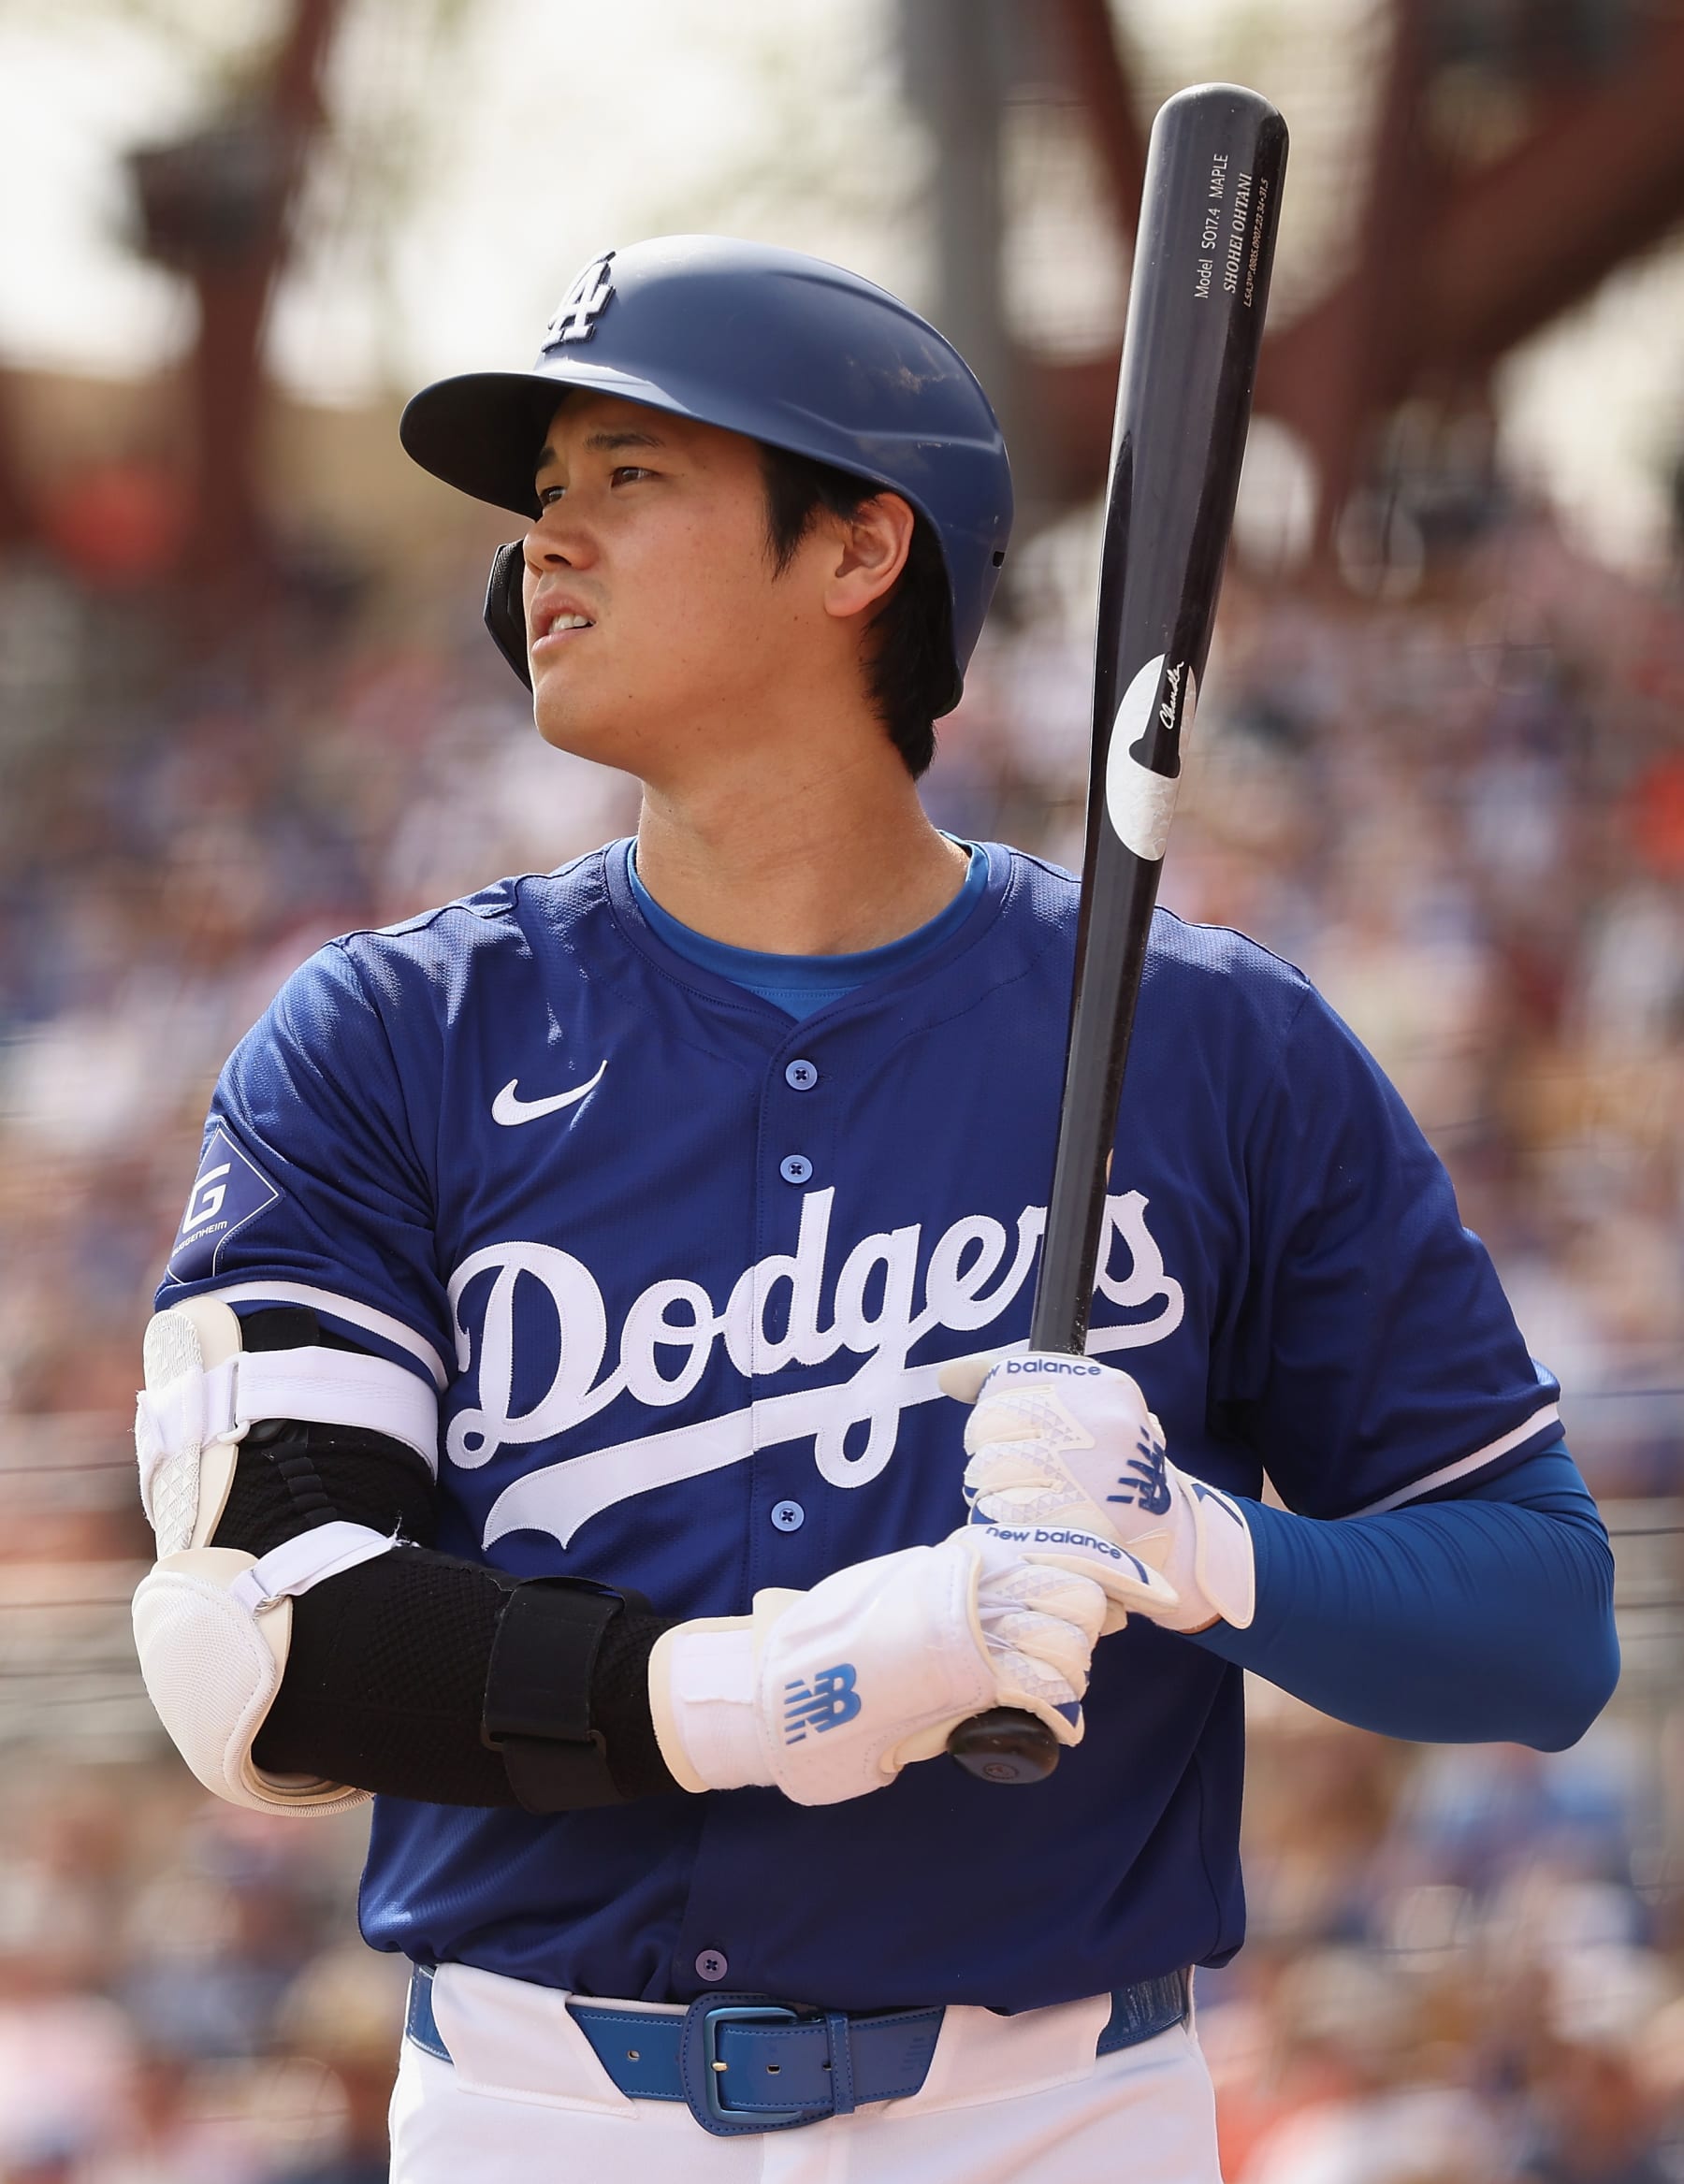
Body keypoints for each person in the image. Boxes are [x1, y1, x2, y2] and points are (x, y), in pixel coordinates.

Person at [130, 236, 1619, 2183]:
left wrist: (1196, 1546)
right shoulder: (392, 1031)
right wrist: (805, 1683)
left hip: (1060, 2112)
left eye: (627, 481)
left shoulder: (1213, 1040)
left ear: (859, 551)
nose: (541, 549)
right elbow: (265, 1640)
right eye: (543, 499)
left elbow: (1545, 1620)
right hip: (542, 2110)